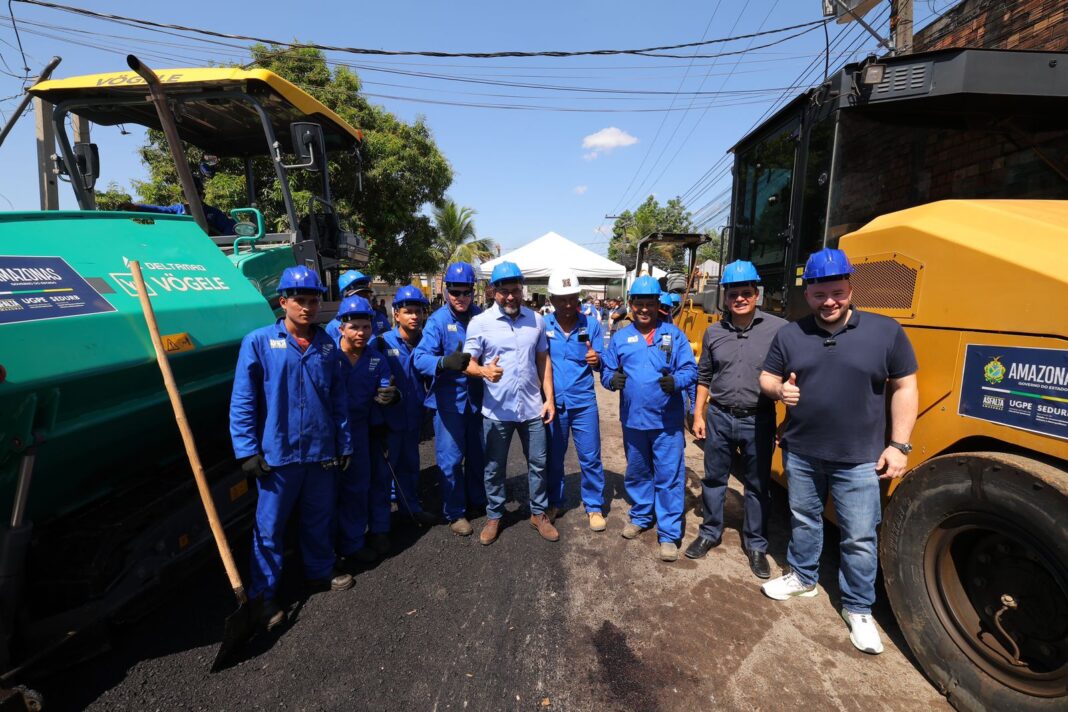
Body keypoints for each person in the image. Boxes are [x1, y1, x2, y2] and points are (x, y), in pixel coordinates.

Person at [758, 247, 918, 655]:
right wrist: (779, 390)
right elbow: (767, 377)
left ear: (850, 288)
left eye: (837, 293)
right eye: (819, 294)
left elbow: (905, 386)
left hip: (860, 457)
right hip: (801, 451)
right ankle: (803, 578)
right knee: (804, 520)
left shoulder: (885, 331)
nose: (829, 301)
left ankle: (858, 608)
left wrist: (899, 445)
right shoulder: (791, 334)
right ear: (807, 294)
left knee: (859, 537)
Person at [229, 266, 353, 630]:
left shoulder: (327, 345)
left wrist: (344, 443)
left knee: (319, 517)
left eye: (313, 300)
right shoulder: (258, 342)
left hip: (320, 452)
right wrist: (246, 450)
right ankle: (263, 596)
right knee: (269, 529)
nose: (308, 307)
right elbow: (243, 400)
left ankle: (319, 570)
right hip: (278, 454)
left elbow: (339, 400)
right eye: (300, 300)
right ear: (283, 302)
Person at [684, 261, 787, 579]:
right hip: (719, 416)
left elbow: (793, 376)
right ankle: (709, 532)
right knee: (714, 479)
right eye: (733, 294)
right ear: (725, 298)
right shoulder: (714, 332)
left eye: (746, 292)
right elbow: (704, 376)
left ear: (757, 294)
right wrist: (698, 414)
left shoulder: (779, 330)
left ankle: (756, 545)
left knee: (757, 484)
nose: (740, 298)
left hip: (759, 419)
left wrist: (790, 422)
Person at [601, 276, 697, 562]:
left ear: (658, 305)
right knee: (638, 472)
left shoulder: (674, 335)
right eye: (639, 303)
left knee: (669, 477)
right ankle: (642, 515)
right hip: (633, 420)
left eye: (650, 303)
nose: (644, 309)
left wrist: (677, 381)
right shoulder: (621, 338)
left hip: (667, 423)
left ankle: (668, 534)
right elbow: (606, 371)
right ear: (631, 305)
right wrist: (612, 380)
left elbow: (690, 370)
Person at [464, 261, 557, 545]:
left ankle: (538, 513)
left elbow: (543, 360)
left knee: (538, 463)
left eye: (515, 290)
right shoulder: (480, 323)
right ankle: (494, 515)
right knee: (494, 466)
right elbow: (468, 362)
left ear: (522, 289)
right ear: (494, 291)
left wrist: (549, 399)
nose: (510, 297)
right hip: (497, 410)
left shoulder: (536, 320)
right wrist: (483, 371)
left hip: (532, 407)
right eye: (504, 291)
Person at [411, 263, 487, 536]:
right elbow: (419, 358)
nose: (461, 297)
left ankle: (477, 499)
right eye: (455, 292)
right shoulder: (438, 321)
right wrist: (443, 362)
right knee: (451, 460)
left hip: (478, 401)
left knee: (479, 456)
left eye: (466, 292)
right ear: (446, 292)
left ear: (473, 291)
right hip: (449, 403)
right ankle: (455, 512)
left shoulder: (481, 317)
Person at [334, 295, 399, 566]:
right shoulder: (329, 356)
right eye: (354, 327)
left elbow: (385, 385)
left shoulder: (376, 359)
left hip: (363, 430)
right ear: (341, 328)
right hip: (332, 431)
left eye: (366, 327)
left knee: (367, 483)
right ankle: (342, 544)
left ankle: (367, 535)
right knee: (333, 491)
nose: (361, 333)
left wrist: (390, 395)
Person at [543, 268, 607, 532]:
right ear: (552, 299)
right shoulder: (542, 325)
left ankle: (594, 506)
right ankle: (554, 502)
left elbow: (602, 361)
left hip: (583, 403)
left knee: (590, 457)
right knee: (553, 457)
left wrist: (597, 360)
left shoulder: (591, 325)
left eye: (572, 298)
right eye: (562, 299)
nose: (568, 304)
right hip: (553, 403)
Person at [371, 286, 437, 527]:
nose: (414, 316)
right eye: (408, 311)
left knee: (410, 467)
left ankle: (411, 509)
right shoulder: (380, 343)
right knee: (382, 474)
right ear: (396, 314)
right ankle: (380, 527)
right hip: (388, 422)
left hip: (413, 419)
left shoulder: (428, 343)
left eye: (418, 311)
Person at [120, 173, 237, 236]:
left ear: (202, 195)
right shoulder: (178, 210)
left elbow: (229, 228)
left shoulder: (213, 213)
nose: (191, 197)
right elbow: (160, 210)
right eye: (187, 194)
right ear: (183, 195)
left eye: (196, 193)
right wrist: (137, 207)